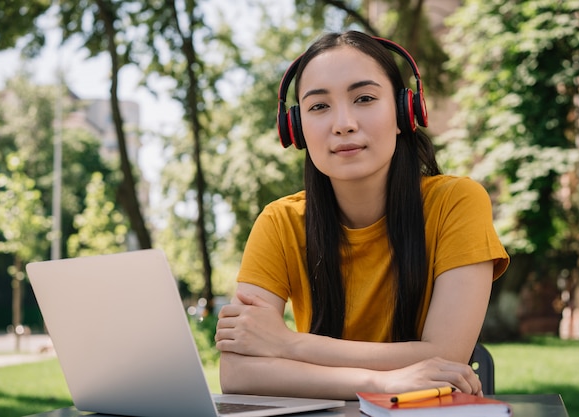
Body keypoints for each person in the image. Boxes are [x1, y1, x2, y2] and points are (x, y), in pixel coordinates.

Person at [215, 30, 509, 400]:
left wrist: (288, 345)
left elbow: (445, 355)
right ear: (297, 128)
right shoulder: (279, 222)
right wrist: (380, 384)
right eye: (319, 106)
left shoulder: (457, 202)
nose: (343, 123)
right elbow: (238, 372)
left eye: (365, 98)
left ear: (405, 112)